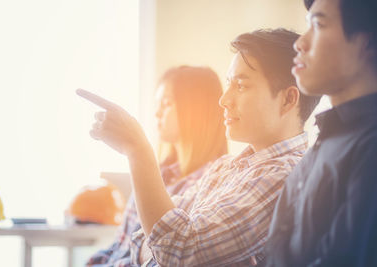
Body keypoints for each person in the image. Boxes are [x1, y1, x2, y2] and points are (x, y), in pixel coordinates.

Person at [83, 29, 321, 266]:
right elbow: (147, 238)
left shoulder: (286, 177)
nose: (224, 100)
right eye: (229, 84)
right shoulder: (225, 167)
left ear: (288, 99)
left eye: (241, 86)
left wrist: (137, 149)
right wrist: (161, 247)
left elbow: (178, 251)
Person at [265, 0, 377, 266]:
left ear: (364, 43)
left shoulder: (369, 149)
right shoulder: (326, 139)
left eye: (318, 24)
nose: (300, 43)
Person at [86, 66, 228, 266]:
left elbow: (163, 259)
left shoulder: (212, 182)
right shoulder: (155, 173)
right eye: (157, 103)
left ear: (196, 109)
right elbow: (120, 246)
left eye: (167, 103)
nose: (157, 112)